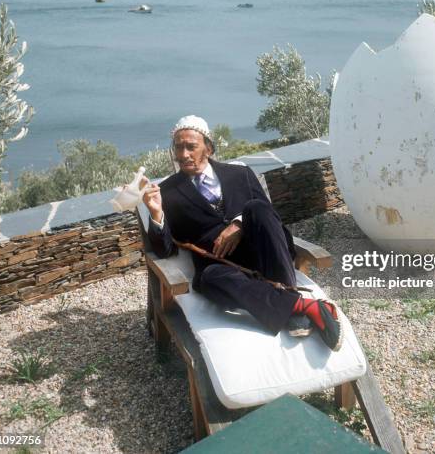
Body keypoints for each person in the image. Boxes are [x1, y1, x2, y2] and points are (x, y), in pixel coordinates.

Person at [142, 115, 343, 351]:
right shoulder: (168, 192)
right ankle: (302, 306)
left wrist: (239, 224)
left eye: (191, 146)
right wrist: (156, 213)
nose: (184, 154)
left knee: (255, 207)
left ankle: (287, 301)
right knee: (210, 278)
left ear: (208, 147)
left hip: (266, 255)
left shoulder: (240, 174)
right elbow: (163, 250)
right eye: (178, 147)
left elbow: (269, 216)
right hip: (223, 269)